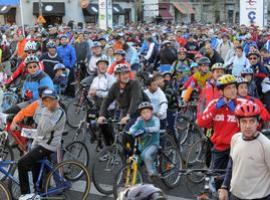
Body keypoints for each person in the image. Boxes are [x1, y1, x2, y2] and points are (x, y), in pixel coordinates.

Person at [17, 89, 66, 196]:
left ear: (55, 100)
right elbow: (39, 130)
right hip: (41, 143)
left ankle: (25, 195)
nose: (47, 102)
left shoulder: (59, 112)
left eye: (50, 100)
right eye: (45, 100)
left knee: (21, 163)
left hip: (50, 145)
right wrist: (33, 146)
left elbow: (46, 128)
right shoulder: (45, 110)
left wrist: (47, 111)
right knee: (34, 164)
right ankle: (38, 190)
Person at [218, 101, 270, 200]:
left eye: (252, 121)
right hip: (235, 196)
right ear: (238, 122)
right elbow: (232, 164)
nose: (248, 126)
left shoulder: (266, 145)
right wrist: (224, 187)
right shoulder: (235, 138)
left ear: (258, 122)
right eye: (244, 121)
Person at [197, 74, 241, 189]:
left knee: (235, 183)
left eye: (234, 87)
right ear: (221, 91)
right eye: (228, 88)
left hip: (236, 149)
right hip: (219, 149)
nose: (232, 90)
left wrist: (236, 111)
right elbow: (201, 122)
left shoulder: (240, 104)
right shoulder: (214, 104)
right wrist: (216, 108)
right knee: (218, 183)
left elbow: (248, 127)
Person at [98, 64, 143, 146]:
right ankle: (110, 148)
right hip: (125, 112)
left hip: (139, 111)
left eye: (126, 73)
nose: (126, 76)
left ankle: (132, 154)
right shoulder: (115, 86)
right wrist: (101, 115)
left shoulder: (134, 84)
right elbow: (106, 100)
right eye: (122, 74)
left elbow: (135, 100)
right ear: (116, 76)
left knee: (127, 132)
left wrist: (128, 115)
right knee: (103, 124)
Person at [128, 102, 160, 177]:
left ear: (151, 112)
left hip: (153, 143)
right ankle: (136, 178)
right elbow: (133, 127)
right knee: (136, 158)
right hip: (142, 144)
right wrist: (131, 132)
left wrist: (147, 129)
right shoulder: (140, 120)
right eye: (143, 113)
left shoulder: (155, 119)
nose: (146, 114)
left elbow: (156, 128)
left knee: (145, 155)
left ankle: (152, 172)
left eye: (147, 112)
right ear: (140, 114)